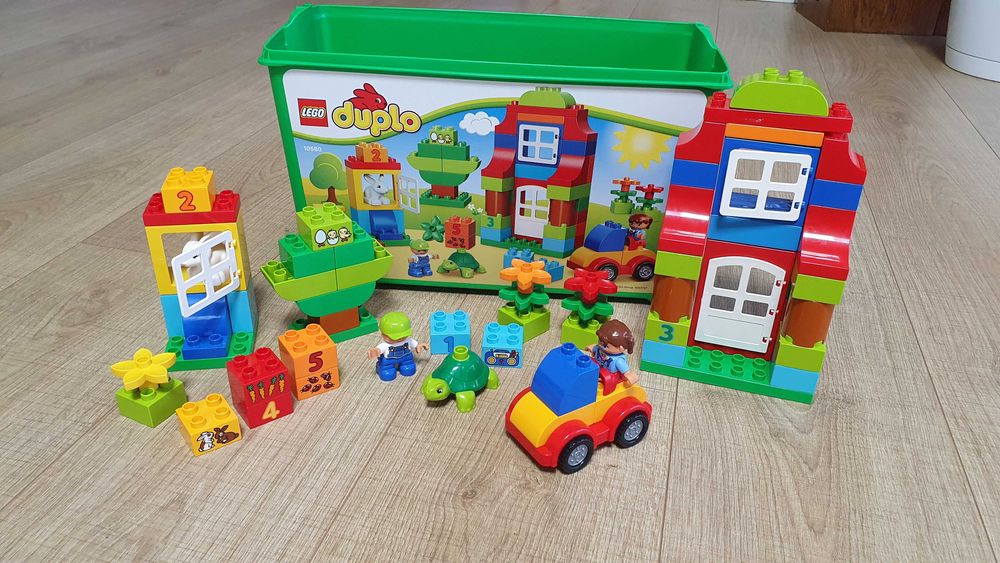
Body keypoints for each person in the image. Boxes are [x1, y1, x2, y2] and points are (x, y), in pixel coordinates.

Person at [367, 312, 429, 381]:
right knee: (387, 371)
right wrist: (375, 351)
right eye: (394, 337)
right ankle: (386, 369)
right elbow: (378, 349)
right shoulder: (385, 345)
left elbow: (415, 344)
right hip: (389, 360)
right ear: (383, 334)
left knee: (408, 367)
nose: (399, 339)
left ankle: (406, 365)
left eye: (403, 336)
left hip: (406, 358)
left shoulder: (408, 341)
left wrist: (418, 346)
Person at [585, 319, 638, 395]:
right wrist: (591, 349)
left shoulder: (618, 360)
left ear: (621, 348)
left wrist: (629, 376)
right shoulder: (599, 348)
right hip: (596, 367)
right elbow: (594, 348)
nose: (601, 345)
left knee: (605, 380)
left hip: (609, 376)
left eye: (605, 346)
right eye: (599, 341)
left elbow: (627, 372)